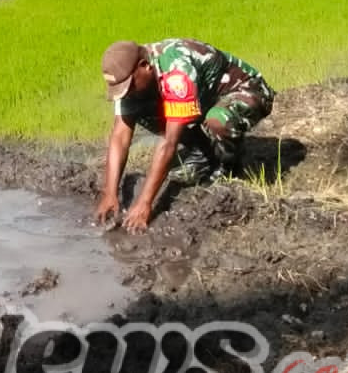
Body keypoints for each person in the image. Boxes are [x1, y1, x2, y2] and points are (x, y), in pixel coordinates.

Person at [94, 38, 274, 232]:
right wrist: (110, 194)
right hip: (203, 98)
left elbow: (169, 141)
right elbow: (120, 136)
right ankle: (203, 152)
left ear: (144, 66)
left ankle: (228, 166)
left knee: (217, 121)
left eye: (129, 87)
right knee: (142, 111)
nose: (126, 93)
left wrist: (144, 203)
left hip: (246, 91)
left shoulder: (177, 70)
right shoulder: (133, 81)